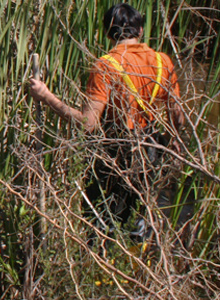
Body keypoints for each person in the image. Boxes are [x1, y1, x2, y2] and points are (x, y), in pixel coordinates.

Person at [28, 3, 184, 235]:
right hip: (149, 151)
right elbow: (178, 118)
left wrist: (46, 96)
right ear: (140, 31)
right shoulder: (163, 62)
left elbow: (88, 124)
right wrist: (174, 145)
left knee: (100, 224)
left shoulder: (105, 66)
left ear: (107, 33)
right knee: (138, 222)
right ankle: (135, 265)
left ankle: (99, 262)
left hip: (115, 153)